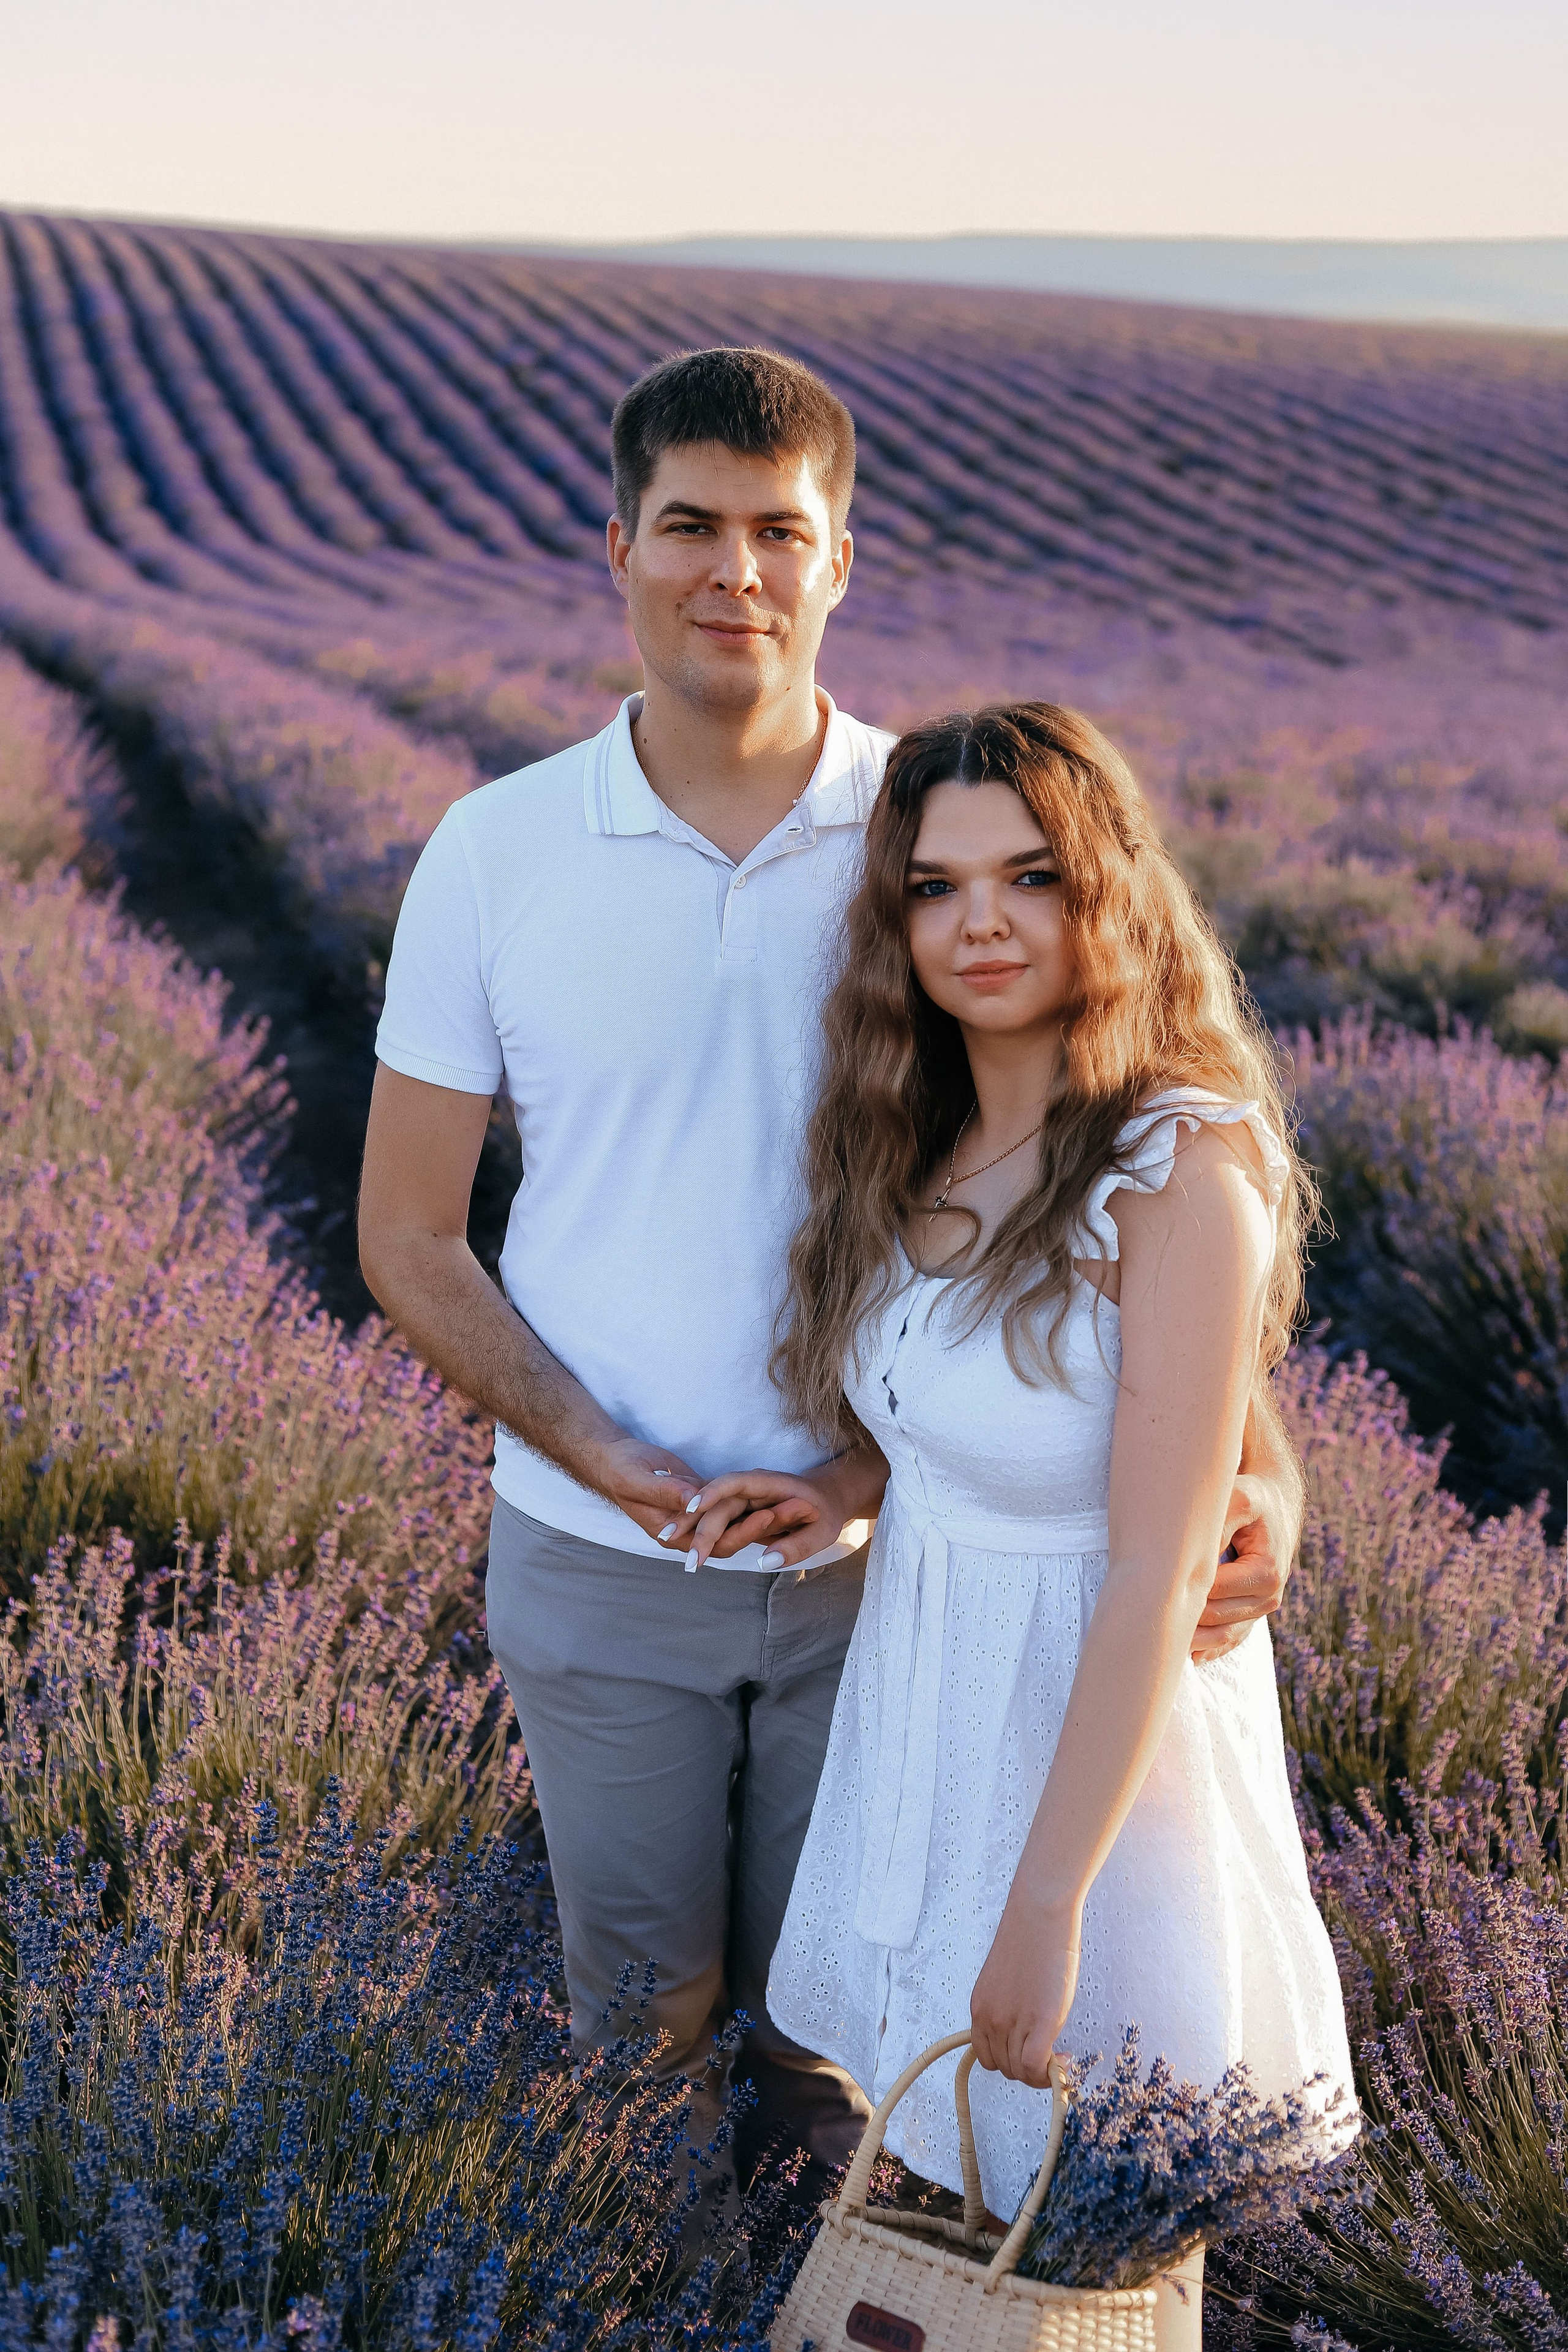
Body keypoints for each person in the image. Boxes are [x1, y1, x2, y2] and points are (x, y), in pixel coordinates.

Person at [357, 349, 1305, 2199]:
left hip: (898, 1579)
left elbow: (1116, 1160)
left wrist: (1263, 1471)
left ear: (841, 561)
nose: (736, 573)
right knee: (630, 2034)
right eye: (692, 526)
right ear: (615, 544)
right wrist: (594, 1443)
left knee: (855, 2057)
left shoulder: (928, 837)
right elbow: (405, 1233)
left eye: (778, 533)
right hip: (596, 1555)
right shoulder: (496, 851)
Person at [663, 701, 1356, 2339]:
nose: (981, 919)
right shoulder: (922, 1142)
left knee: (1085, 2258)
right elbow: (993, 1424)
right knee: (961, 2231)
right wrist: (848, 1484)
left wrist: (1047, 1911)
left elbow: (1156, 1564)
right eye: (936, 884)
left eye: (1031, 875)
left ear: (1103, 892)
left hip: (1093, 1773)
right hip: (934, 1728)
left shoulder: (1181, 1162)